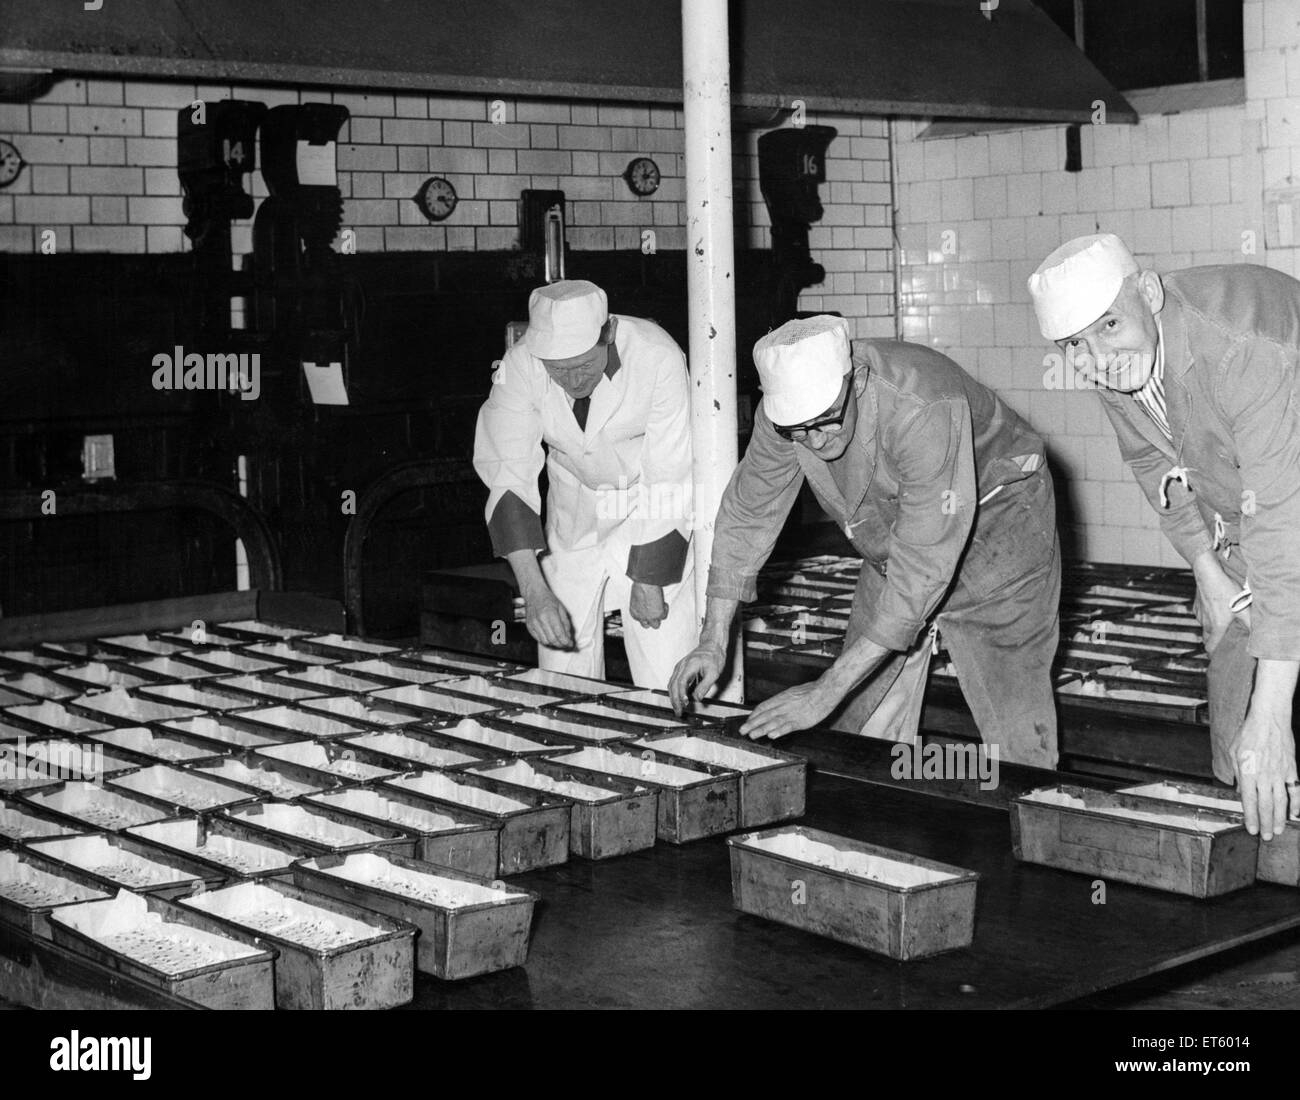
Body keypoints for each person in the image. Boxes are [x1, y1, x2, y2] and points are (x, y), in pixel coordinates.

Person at [668, 315, 1061, 768]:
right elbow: (748, 513)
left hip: (999, 532)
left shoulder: (921, 403)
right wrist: (713, 638)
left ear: (855, 383)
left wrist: (823, 690)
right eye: (799, 432)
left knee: (1015, 721)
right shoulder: (785, 417)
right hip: (901, 537)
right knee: (858, 712)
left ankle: (1035, 815)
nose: (814, 441)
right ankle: (877, 818)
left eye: (826, 423)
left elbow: (922, 571)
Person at [1029, 233, 1300, 839]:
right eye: (1072, 344)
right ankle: (1257, 853)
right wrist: (1206, 568)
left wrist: (1274, 712)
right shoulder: (1112, 361)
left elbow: (1285, 523)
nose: (1094, 358)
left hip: (1288, 513)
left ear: (1148, 293)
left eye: (1107, 328)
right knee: (1239, 734)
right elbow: (1155, 465)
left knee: (1270, 715)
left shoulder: (1242, 348)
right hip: (1255, 518)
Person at [473, 279, 697, 688]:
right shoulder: (520, 365)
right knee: (561, 672)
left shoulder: (657, 355)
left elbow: (671, 472)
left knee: (664, 666)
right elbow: (509, 476)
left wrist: (648, 579)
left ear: (607, 333)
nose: (574, 382)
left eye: (583, 367)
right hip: (575, 515)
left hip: (648, 510)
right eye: (559, 371)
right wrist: (534, 590)